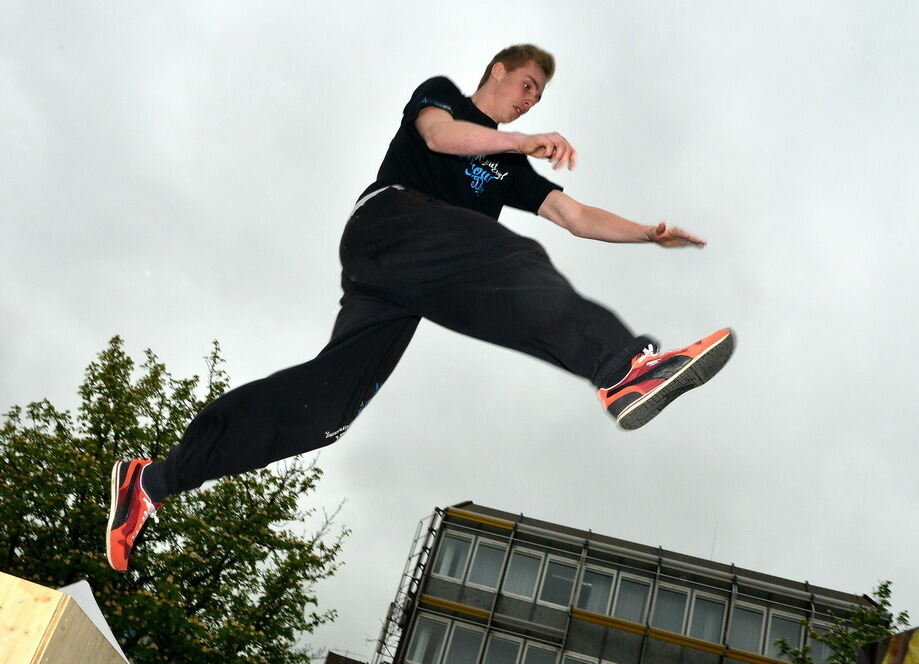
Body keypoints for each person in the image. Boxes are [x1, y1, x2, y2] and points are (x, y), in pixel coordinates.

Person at [106, 44, 734, 571]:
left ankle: (154, 482)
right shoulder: (446, 99)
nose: (529, 100)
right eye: (526, 85)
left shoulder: (511, 167)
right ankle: (624, 369)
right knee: (511, 259)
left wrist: (647, 232)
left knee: (326, 410)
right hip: (389, 223)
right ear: (496, 72)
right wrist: (520, 138)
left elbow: (573, 215)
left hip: (405, 287)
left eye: (538, 97)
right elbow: (439, 138)